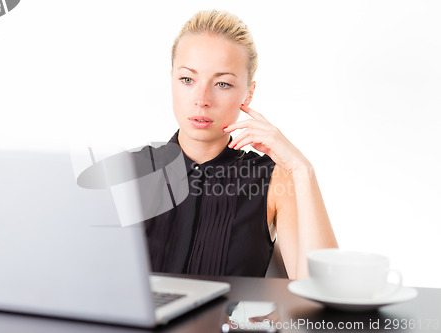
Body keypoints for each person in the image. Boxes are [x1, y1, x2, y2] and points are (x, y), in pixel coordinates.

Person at [143, 9, 338, 279]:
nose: (201, 98)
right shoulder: (131, 173)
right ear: (172, 80)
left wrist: (301, 168)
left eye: (222, 84)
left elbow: (324, 291)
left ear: (248, 93)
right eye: (187, 79)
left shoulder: (274, 180)